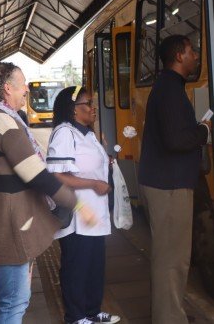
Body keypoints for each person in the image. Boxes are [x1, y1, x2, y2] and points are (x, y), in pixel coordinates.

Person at [0, 62, 98, 323]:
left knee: (2, 299)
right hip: (8, 228)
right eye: (22, 84)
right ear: (7, 88)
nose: (26, 89)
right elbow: (37, 174)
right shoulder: (6, 124)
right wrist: (76, 203)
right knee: (14, 301)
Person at [139, 35, 209, 324]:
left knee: (173, 259)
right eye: (192, 51)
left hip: (168, 183)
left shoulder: (170, 87)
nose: (196, 55)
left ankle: (169, 314)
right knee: (172, 261)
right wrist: (203, 130)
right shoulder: (169, 89)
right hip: (168, 186)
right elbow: (175, 140)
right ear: (179, 56)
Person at [46, 85, 120, 324]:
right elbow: (56, 176)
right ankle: (75, 316)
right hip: (79, 215)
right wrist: (93, 183)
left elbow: (89, 163)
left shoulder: (87, 133)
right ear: (73, 109)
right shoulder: (65, 133)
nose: (93, 108)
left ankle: (92, 311)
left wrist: (105, 163)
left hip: (95, 215)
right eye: (87, 104)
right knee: (76, 267)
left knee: (94, 266)